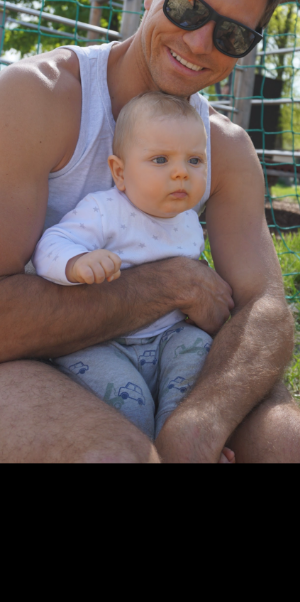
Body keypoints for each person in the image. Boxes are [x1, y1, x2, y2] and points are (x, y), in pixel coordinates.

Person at [0, 0, 300, 463]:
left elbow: (265, 311)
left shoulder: (226, 149)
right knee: (119, 456)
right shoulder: (37, 98)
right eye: (189, 6)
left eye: (232, 34)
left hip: (175, 353)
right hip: (33, 358)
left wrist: (196, 429)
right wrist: (168, 285)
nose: (199, 41)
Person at [33, 92, 234, 462]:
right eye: (161, 159)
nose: (181, 172)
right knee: (130, 401)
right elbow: (51, 244)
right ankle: (141, 446)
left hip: (168, 337)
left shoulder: (188, 220)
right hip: (104, 342)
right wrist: (77, 263)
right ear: (120, 173)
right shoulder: (104, 210)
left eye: (194, 160)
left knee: (198, 354)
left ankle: (181, 435)